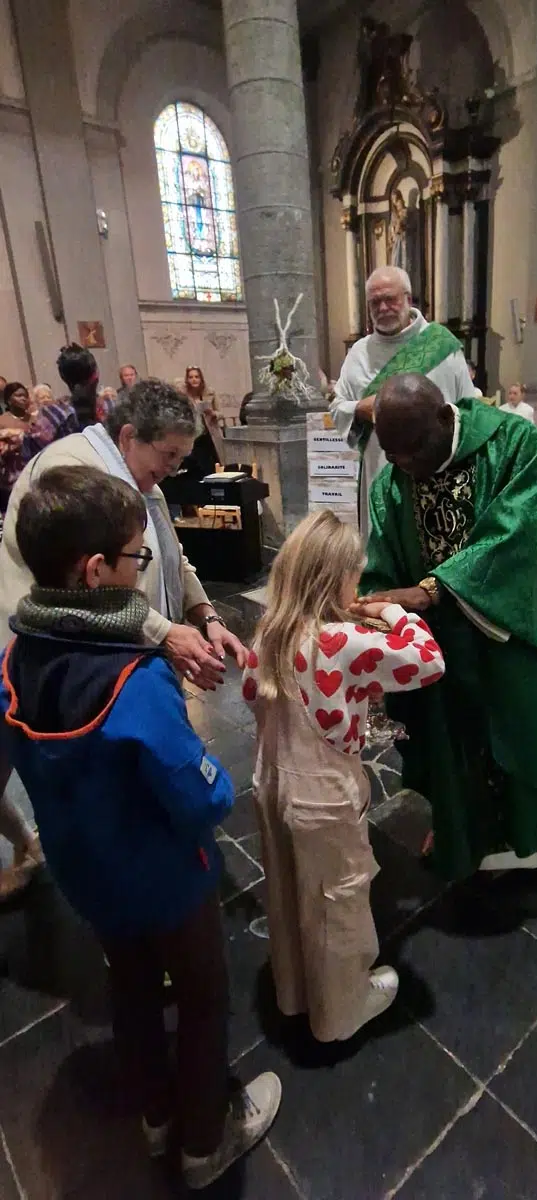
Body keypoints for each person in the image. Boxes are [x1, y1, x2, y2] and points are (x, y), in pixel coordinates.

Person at [0, 465, 281, 1188]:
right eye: (137, 557)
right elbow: (200, 801)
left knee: (128, 983)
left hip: (84, 872)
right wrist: (218, 775)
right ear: (96, 571)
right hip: (163, 878)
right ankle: (201, 1142)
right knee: (201, 992)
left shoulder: (16, 656)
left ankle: (154, 1115)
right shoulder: (133, 680)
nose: (142, 569)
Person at [359, 374, 537, 885]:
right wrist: (378, 606)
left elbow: (519, 536)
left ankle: (530, 846)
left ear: (444, 416)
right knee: (450, 744)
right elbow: (384, 555)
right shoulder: (394, 478)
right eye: (391, 452)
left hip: (506, 634)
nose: (402, 464)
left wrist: (432, 590)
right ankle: (462, 834)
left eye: (413, 448)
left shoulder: (513, 444)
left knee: (517, 729)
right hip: (439, 646)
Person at [242, 510, 445, 1041]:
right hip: (323, 793)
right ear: (335, 578)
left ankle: (295, 992)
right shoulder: (338, 641)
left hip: (271, 779)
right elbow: (428, 662)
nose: (360, 582)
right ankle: (341, 1012)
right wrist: (392, 611)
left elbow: (249, 696)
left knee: (288, 889)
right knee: (339, 901)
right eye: (355, 572)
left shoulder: (269, 630)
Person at [0, 378, 246, 689]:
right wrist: (166, 634)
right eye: (169, 454)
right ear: (129, 435)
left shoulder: (140, 477)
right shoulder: (69, 469)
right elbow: (85, 587)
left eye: (181, 459)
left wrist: (207, 616)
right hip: (68, 673)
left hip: (126, 662)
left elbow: (173, 558)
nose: (174, 468)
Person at [331, 266, 475, 534]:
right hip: (379, 473)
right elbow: (338, 407)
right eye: (375, 302)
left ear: (408, 299)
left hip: (438, 474)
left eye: (390, 299)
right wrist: (358, 409)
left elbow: (469, 409)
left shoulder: (441, 346)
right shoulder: (358, 354)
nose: (383, 307)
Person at [181, 366, 226, 477]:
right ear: (187, 380)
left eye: (197, 377)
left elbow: (220, 413)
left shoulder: (210, 393)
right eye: (191, 377)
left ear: (201, 378)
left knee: (213, 467)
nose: (194, 379)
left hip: (209, 436)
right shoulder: (183, 396)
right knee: (196, 470)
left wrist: (212, 413)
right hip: (193, 436)